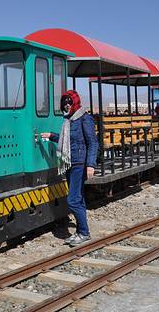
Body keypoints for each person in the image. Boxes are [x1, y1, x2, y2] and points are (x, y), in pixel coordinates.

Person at [40, 90, 98, 247]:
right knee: (78, 198)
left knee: (72, 200)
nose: (67, 105)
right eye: (64, 102)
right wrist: (51, 136)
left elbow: (93, 142)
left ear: (75, 102)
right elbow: (67, 140)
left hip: (79, 163)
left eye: (69, 102)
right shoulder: (68, 120)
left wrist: (90, 164)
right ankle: (80, 232)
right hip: (70, 163)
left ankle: (84, 232)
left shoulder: (84, 118)